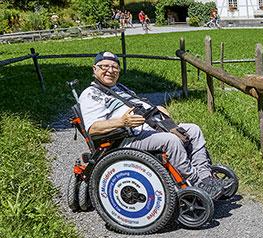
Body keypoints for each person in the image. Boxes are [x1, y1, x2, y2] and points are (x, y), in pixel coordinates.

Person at [78, 51, 226, 199]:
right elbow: (93, 128)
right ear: (94, 69)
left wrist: (156, 108)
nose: (110, 70)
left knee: (193, 130)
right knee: (170, 140)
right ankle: (195, 182)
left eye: (115, 67)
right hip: (125, 138)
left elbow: (137, 103)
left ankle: (206, 177)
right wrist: (122, 122)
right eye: (104, 66)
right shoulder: (91, 94)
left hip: (151, 126)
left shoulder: (119, 88)